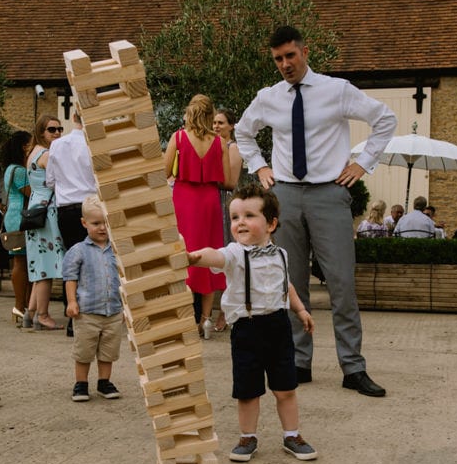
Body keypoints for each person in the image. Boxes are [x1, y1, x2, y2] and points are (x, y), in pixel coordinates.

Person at [234, 25, 396, 398]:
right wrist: (259, 167)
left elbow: (384, 119)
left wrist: (363, 163)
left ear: (305, 52)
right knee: (291, 281)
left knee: (341, 282)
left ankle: (352, 367)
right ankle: (298, 362)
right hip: (286, 194)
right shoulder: (268, 97)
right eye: (278, 59)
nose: (285, 64)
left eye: (291, 55)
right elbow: (243, 133)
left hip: (329, 193)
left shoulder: (336, 91)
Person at [187, 183, 317, 463]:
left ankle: (292, 434)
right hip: (247, 329)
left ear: (271, 223)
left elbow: (287, 285)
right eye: (234, 217)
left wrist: (301, 310)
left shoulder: (281, 254)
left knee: (285, 388)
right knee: (247, 390)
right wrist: (192, 257)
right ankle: (248, 437)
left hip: (279, 326)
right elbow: (214, 255)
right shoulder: (235, 253)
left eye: (248, 216)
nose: (240, 223)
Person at [164, 94, 231, 338]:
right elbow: (224, 178)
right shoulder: (219, 142)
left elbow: (164, 170)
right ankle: (205, 321)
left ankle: (185, 320)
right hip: (209, 201)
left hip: (184, 199)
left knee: (183, 254)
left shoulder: (179, 137)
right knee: (208, 255)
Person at [62, 196, 125, 402]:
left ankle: (104, 382)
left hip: (113, 311)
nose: (102, 228)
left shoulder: (117, 251)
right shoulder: (78, 250)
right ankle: (81, 383)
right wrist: (72, 302)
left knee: (108, 351)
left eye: (106, 222)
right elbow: (70, 278)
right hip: (87, 312)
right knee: (84, 351)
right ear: (84, 223)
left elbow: (124, 278)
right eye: (96, 223)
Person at [46, 111, 97, 336]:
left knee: (73, 261)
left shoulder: (58, 145)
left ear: (74, 117)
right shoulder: (93, 144)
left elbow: (50, 181)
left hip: (65, 208)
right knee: (93, 261)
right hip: (91, 205)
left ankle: (72, 316)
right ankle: (89, 315)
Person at [23, 116, 66, 330]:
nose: (57, 133)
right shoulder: (47, 154)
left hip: (35, 209)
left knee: (40, 263)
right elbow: (58, 181)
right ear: (41, 132)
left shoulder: (33, 153)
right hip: (47, 211)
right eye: (52, 129)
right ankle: (43, 314)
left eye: (59, 129)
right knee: (47, 265)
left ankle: (30, 313)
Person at [210, 106, 245, 332]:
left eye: (221, 123)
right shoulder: (213, 145)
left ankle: (225, 313)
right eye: (214, 122)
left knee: (226, 255)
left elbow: (230, 182)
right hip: (211, 201)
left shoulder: (233, 148)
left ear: (231, 126)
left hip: (224, 202)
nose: (216, 126)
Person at [1, 130, 32, 325]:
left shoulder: (10, 168)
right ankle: (19, 307)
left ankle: (23, 306)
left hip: (13, 216)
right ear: (23, 147)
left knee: (21, 261)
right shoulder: (19, 171)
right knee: (21, 262)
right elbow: (30, 192)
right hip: (21, 217)